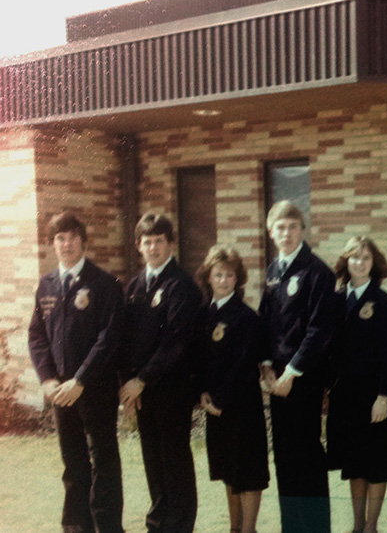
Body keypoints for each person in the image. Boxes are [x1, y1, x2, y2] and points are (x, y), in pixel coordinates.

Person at [28, 212, 125, 533]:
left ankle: (107, 527)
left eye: (71, 237)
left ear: (83, 241)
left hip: (93, 389)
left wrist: (80, 379)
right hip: (60, 393)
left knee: (103, 463)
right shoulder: (47, 285)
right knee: (73, 464)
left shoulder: (104, 283)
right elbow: (37, 337)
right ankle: (76, 526)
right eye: (59, 238)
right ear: (53, 244)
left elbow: (108, 338)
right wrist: (48, 379)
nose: (65, 244)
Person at [119, 213, 202, 533]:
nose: (152, 247)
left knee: (174, 459)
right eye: (146, 241)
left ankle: (179, 525)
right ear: (139, 246)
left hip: (172, 389)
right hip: (142, 392)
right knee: (152, 460)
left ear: (170, 243)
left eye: (158, 241)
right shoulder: (136, 285)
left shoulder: (182, 286)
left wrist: (141, 380)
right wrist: (127, 385)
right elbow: (125, 341)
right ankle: (158, 523)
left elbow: (175, 343)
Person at [258, 200, 335, 533]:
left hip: (302, 378)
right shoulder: (273, 270)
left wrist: (292, 372)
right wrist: (265, 367)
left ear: (302, 230)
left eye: (291, 227)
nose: (285, 233)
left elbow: (319, 330)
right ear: (270, 232)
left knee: (306, 457)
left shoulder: (317, 272)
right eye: (279, 228)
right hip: (276, 380)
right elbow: (264, 321)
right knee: (284, 459)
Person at [326, 236, 387, 533]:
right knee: (354, 462)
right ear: (346, 261)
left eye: (366, 258)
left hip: (372, 393)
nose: (359, 263)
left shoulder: (382, 301)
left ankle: (371, 525)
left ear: (375, 263)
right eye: (354, 257)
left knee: (376, 462)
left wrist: (383, 396)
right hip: (344, 394)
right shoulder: (336, 299)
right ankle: (357, 525)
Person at [195, 246, 269, 533]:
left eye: (229, 275)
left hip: (241, 406)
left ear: (237, 279)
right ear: (208, 277)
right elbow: (199, 360)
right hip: (214, 406)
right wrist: (203, 393)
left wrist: (222, 399)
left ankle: (248, 529)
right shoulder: (203, 315)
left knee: (248, 472)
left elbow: (243, 364)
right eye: (218, 274)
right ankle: (234, 528)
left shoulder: (247, 317)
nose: (223, 280)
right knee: (228, 470)